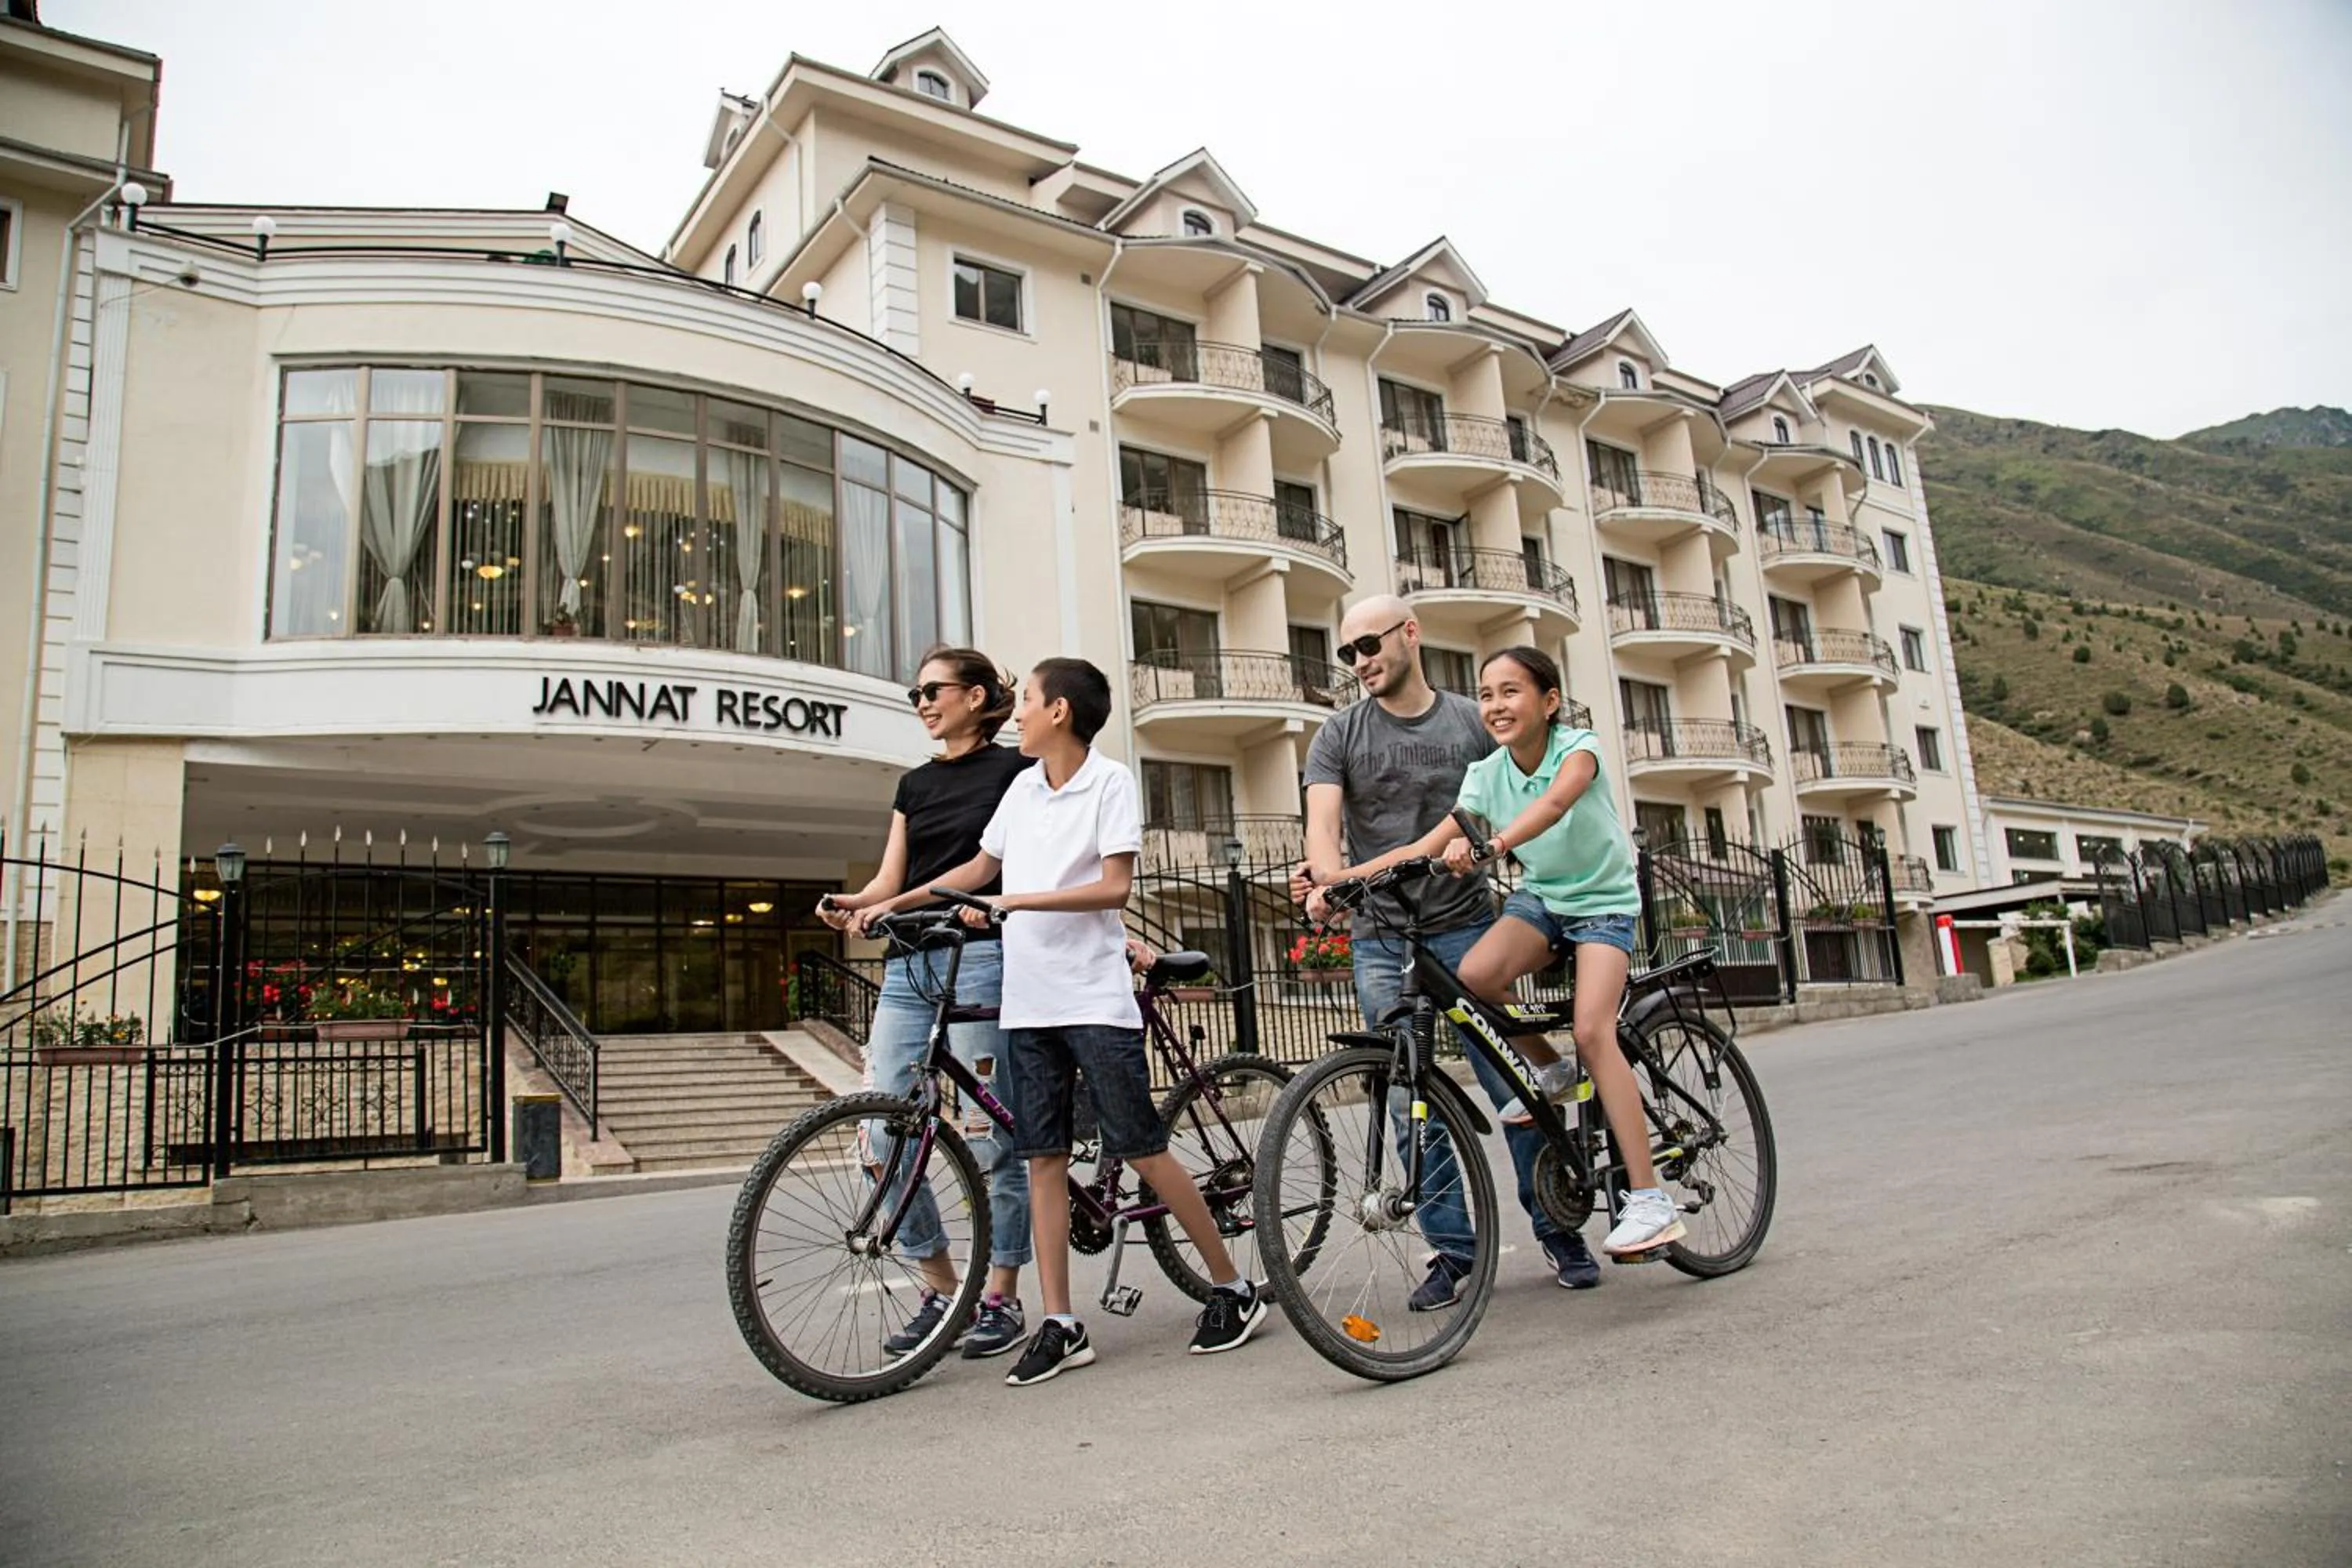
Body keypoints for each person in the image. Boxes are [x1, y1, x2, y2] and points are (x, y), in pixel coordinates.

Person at [932, 657, 1268, 1385]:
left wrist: (1022, 902)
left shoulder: (1109, 782)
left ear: (1059, 712)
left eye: (1025, 702)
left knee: (1144, 1150)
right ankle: (1061, 1322)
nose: (1016, 714)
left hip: (1094, 1001)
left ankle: (1234, 1288)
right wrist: (885, 904)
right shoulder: (1022, 788)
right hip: (1030, 1006)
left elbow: (1114, 886)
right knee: (1043, 1159)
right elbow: (978, 871)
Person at [1294, 596, 1603, 1307]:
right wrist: (1325, 881)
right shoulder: (1339, 733)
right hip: (1379, 939)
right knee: (1408, 1098)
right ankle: (1452, 1250)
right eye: (1348, 653)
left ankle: (1559, 1228)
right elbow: (1323, 824)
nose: (1360, 662)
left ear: (1410, 634)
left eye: (1370, 644)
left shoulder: (1472, 720)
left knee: (1516, 1087)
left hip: (1467, 925)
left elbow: (1515, 796)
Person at [1346, 644, 1682, 1258]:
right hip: (1544, 900)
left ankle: (1649, 1199)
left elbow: (1554, 805)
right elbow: (1427, 843)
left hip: (1604, 904)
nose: (1496, 705)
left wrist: (1493, 844)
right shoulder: (1486, 774)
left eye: (1511, 691)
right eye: (1487, 694)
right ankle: (1551, 1071)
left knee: (1592, 1030)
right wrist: (1342, 881)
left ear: (1549, 702)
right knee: (1474, 974)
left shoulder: (1578, 748)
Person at [818, 648, 1036, 1360]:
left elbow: (990, 867)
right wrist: (856, 904)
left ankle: (1002, 1295)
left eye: (933, 690)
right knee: (881, 1130)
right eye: (915, 693)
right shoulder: (912, 783)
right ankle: (946, 1289)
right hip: (909, 965)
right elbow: (890, 875)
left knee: (990, 1137)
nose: (921, 703)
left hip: (982, 956)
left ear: (975, 697)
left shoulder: (1015, 772)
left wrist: (898, 904)